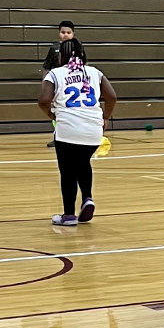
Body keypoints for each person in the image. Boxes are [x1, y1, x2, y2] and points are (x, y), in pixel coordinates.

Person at [38, 39, 118, 227]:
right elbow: (112, 96)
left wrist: (51, 113)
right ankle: (88, 198)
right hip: (93, 130)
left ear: (62, 55)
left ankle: (68, 216)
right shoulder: (95, 72)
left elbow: (43, 100)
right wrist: (105, 117)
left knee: (67, 171)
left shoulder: (55, 74)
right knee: (83, 163)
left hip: (68, 129)